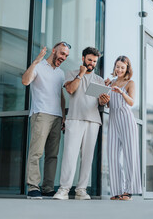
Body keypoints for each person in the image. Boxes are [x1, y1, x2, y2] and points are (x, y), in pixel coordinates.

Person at [53, 47, 110, 200]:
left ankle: (81, 190)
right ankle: (64, 189)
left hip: (93, 121)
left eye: (95, 61)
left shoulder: (99, 80)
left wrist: (103, 100)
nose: (92, 63)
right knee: (70, 155)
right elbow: (71, 90)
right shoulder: (71, 74)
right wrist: (81, 74)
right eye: (90, 60)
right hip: (75, 118)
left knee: (87, 157)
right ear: (83, 58)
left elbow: (99, 102)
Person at [22, 41, 71, 199]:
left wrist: (63, 116)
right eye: (62, 53)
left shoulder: (61, 73)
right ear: (54, 51)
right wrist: (35, 61)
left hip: (57, 116)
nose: (64, 57)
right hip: (41, 113)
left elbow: (61, 96)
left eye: (66, 55)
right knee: (36, 152)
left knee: (52, 154)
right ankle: (33, 187)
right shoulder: (39, 66)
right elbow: (25, 81)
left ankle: (48, 187)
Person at [106, 56, 142, 201]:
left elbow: (132, 102)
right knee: (113, 155)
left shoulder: (129, 83)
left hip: (126, 120)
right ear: (114, 67)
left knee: (129, 155)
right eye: (117, 66)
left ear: (127, 68)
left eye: (122, 67)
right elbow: (109, 105)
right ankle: (117, 190)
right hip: (113, 119)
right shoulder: (111, 82)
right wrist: (106, 90)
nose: (119, 69)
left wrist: (121, 92)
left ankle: (129, 191)